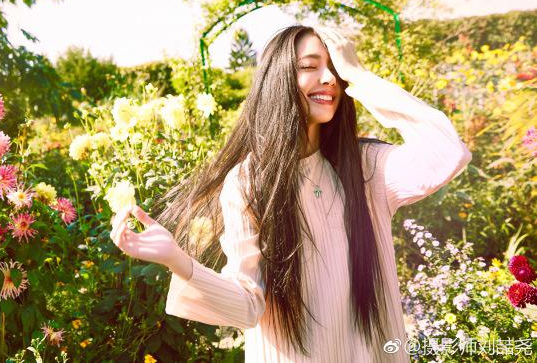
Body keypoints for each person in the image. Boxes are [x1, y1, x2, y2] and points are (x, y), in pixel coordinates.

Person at [109, 24, 472, 362]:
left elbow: (448, 153)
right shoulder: (249, 182)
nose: (330, 78)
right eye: (310, 66)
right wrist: (176, 259)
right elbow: (247, 305)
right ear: (279, 78)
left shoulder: (366, 167)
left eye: (336, 68)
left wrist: (360, 76)